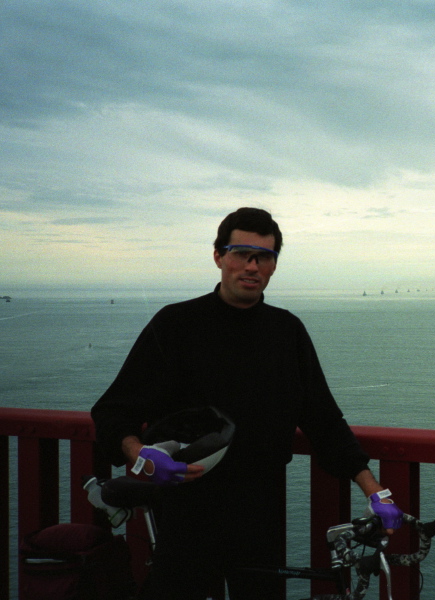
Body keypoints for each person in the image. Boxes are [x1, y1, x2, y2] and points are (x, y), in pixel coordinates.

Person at [91, 207, 402, 599]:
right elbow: (113, 410)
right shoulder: (175, 325)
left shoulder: (287, 332)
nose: (252, 266)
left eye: (264, 257)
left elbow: (324, 420)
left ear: (274, 266)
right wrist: (140, 456)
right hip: (186, 512)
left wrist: (376, 492)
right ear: (219, 256)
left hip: (261, 513)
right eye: (241, 253)